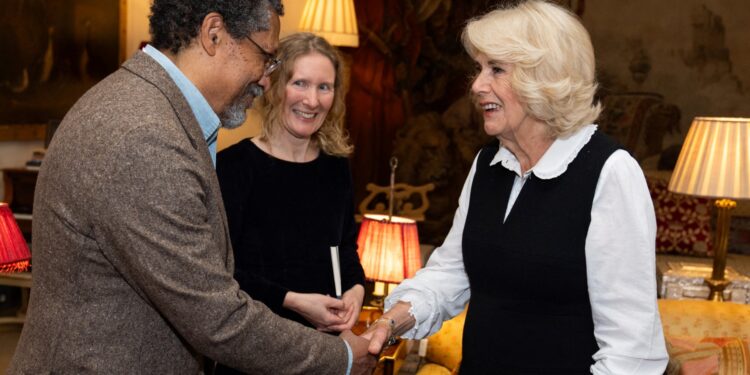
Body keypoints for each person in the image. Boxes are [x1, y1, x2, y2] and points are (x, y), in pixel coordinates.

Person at [8, 1, 375, 374]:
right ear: (213, 34)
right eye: (265, 56)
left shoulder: (143, 103)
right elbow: (217, 319)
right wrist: (341, 357)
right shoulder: (147, 138)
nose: (266, 80)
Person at [362, 1, 669, 374]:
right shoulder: (488, 165)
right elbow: (452, 274)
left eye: (496, 69)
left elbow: (631, 350)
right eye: (479, 69)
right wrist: (389, 322)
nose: (476, 85)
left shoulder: (610, 172)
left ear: (545, 77)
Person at [214, 33, 365, 373]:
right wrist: (293, 301)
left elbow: (345, 250)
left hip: (324, 351)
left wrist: (356, 291)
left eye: (324, 87)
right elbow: (221, 272)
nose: (312, 100)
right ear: (275, 86)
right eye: (300, 83)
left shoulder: (336, 166)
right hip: (253, 352)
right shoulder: (234, 167)